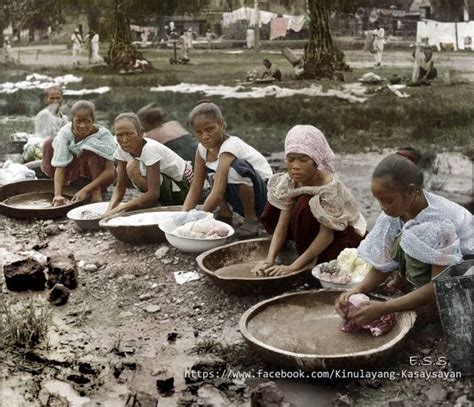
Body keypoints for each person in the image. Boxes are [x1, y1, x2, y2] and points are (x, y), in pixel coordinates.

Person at [335, 150, 473, 324]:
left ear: (412, 191)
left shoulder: (438, 223)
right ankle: (410, 288)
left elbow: (439, 286)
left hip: (466, 270)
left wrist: (385, 307)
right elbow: (381, 263)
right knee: (403, 236)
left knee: (418, 236)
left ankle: (430, 309)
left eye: (388, 200)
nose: (383, 207)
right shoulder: (396, 212)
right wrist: (358, 289)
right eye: (379, 200)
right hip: (440, 266)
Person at [252, 125, 366, 277]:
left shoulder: (329, 188)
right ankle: (301, 249)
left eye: (303, 159)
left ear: (316, 160)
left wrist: (292, 267)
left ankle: (308, 259)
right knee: (275, 206)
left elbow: (327, 236)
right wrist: (269, 260)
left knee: (305, 203)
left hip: (340, 233)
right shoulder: (291, 181)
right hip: (310, 226)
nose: (295, 166)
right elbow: (282, 223)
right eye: (290, 159)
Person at [182, 101, 273, 237]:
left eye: (209, 129)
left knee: (232, 169)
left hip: (264, 197)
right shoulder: (202, 149)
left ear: (222, 125)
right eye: (199, 132)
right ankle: (225, 214)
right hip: (241, 194)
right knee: (214, 176)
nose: (204, 136)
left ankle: (251, 218)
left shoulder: (229, 146)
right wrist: (183, 217)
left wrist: (197, 221)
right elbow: (196, 188)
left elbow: (218, 192)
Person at [104, 113, 193, 217]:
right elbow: (120, 187)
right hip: (165, 183)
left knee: (134, 168)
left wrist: (121, 208)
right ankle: (154, 201)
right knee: (132, 167)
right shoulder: (121, 150)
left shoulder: (150, 149)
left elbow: (153, 193)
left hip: (183, 187)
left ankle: (164, 203)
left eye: (129, 134)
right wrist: (108, 211)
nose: (124, 140)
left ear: (140, 133)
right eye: (119, 135)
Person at [41, 100, 116, 206]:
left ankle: (96, 190)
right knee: (49, 143)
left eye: (87, 121)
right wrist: (57, 195)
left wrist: (86, 190)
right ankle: (65, 185)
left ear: (93, 121)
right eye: (78, 121)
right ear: (72, 121)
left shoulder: (103, 136)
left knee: (91, 149)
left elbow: (110, 170)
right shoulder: (65, 133)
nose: (82, 125)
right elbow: (60, 165)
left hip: (97, 177)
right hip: (72, 174)